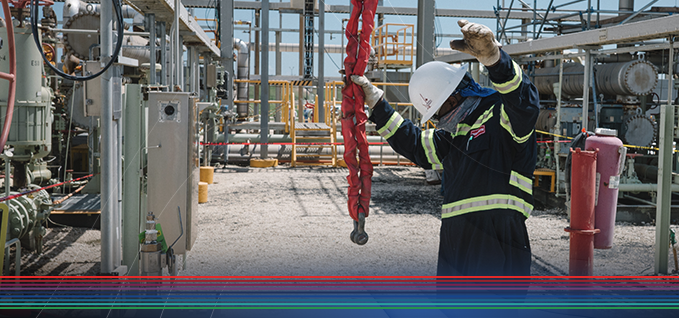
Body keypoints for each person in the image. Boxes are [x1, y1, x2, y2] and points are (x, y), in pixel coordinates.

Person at [351, 20, 539, 275]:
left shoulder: (501, 114)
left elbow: (524, 102)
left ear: (454, 97)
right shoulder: (451, 136)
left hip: (498, 234)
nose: (439, 121)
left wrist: (496, 61)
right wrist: (378, 106)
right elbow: (416, 144)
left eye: (439, 111)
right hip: (454, 236)